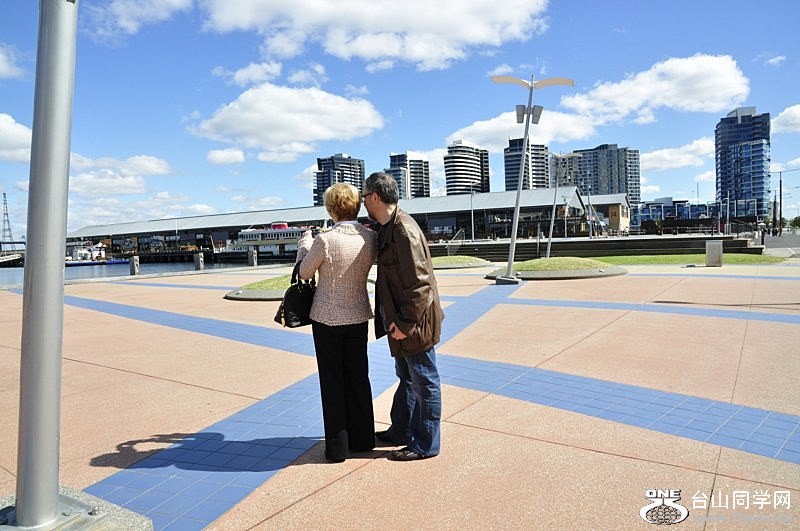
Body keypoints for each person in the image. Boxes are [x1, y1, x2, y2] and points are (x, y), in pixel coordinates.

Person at [362, 171, 444, 461]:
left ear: (374, 197)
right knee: (408, 377)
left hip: (413, 324)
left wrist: (406, 324)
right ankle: (401, 430)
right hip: (403, 321)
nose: (363, 203)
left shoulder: (403, 231)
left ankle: (425, 444)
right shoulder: (388, 227)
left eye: (364, 197)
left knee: (423, 380)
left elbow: (420, 285)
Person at [296, 183, 377, 463]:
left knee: (332, 381)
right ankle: (363, 439)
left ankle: (337, 447)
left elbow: (305, 274)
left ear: (332, 209)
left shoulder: (325, 240)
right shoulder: (370, 237)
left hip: (327, 318)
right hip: (358, 315)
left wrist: (303, 246)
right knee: (358, 377)